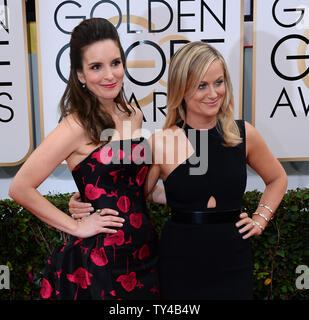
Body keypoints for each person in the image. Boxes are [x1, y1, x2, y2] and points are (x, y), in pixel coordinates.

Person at [69, 41, 288, 300]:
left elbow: (277, 178)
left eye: (219, 82)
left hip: (233, 256)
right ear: (181, 90)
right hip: (180, 260)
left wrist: (261, 218)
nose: (213, 93)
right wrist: (84, 202)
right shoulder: (161, 142)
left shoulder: (243, 134)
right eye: (201, 86)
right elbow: (137, 193)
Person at [9, 18, 161, 300]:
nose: (109, 75)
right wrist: (76, 226)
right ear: (79, 75)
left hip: (144, 255)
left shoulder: (133, 115)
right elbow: (20, 187)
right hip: (100, 263)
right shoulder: (74, 127)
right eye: (95, 67)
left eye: (115, 63)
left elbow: (136, 188)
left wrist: (197, 197)